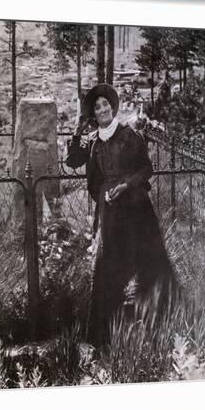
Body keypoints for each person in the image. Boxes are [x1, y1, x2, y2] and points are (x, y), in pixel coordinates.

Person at [66, 83, 175, 347]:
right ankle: (105, 337)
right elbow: (72, 161)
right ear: (93, 114)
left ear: (112, 107)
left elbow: (146, 169)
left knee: (149, 263)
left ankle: (160, 326)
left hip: (137, 209)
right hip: (110, 211)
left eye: (105, 104)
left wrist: (126, 185)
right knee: (106, 268)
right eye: (96, 107)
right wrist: (79, 131)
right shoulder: (93, 142)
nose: (102, 109)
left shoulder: (129, 136)